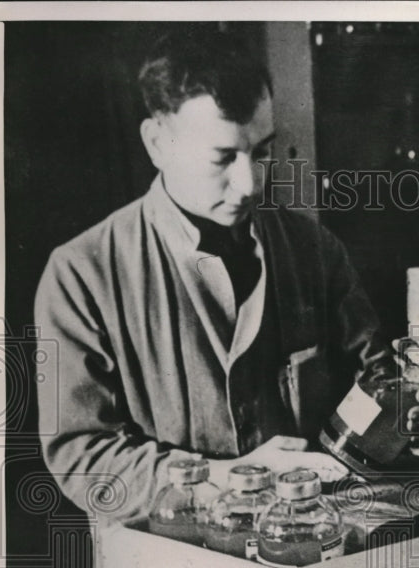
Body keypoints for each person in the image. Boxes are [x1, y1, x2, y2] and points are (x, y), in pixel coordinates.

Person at [35, 28, 387, 525]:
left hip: (306, 547)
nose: (249, 184)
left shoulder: (315, 251)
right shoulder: (80, 274)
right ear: (157, 142)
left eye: (261, 152)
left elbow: (377, 381)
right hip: (163, 564)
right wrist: (221, 478)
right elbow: (79, 459)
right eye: (222, 158)